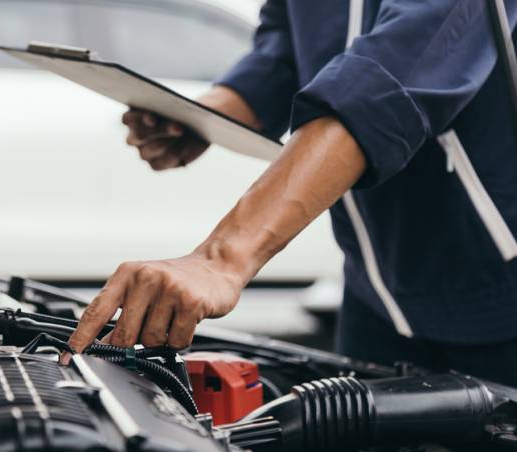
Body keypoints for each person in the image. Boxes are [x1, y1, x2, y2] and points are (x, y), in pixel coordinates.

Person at [65, 0, 517, 385]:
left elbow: (400, 68)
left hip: (497, 291)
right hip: (375, 292)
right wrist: (205, 113)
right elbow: (284, 49)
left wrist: (220, 260)